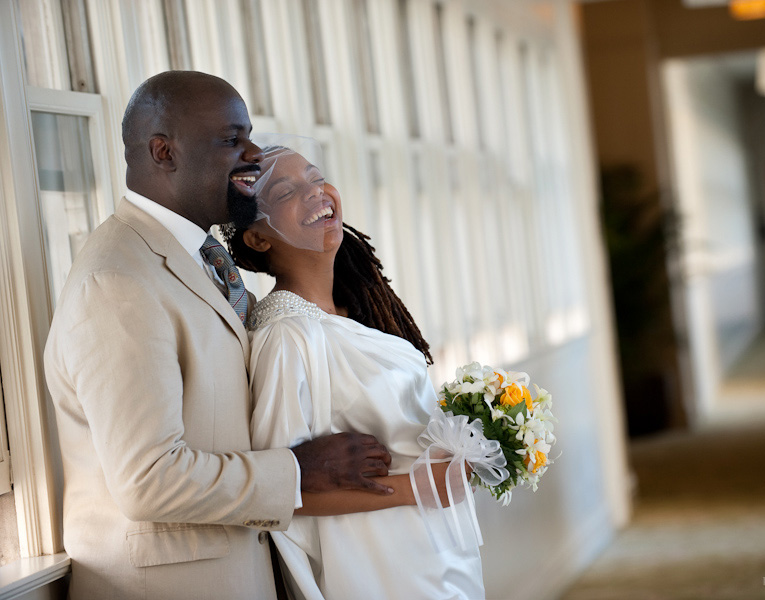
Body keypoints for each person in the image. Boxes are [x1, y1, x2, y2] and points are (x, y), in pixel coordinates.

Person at [43, 71, 393, 600]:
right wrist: (298, 470)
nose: (253, 155)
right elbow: (149, 479)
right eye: (232, 140)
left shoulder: (202, 259)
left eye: (249, 135)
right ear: (164, 152)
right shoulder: (117, 280)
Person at [225, 144, 485, 600]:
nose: (315, 193)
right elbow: (283, 494)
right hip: (374, 567)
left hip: (432, 551)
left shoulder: (355, 314)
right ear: (258, 238)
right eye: (286, 190)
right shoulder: (286, 337)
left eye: (315, 176)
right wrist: (418, 487)